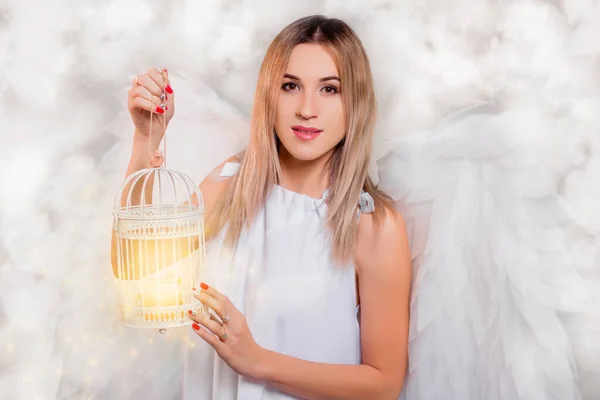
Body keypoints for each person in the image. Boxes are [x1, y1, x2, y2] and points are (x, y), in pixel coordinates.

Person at [120, 15, 412, 399]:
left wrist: (257, 361)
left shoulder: (373, 225)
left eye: (329, 89)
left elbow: (384, 383)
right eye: (291, 86)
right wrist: (146, 137)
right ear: (269, 93)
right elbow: (137, 265)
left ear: (355, 100)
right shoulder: (230, 183)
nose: (307, 109)